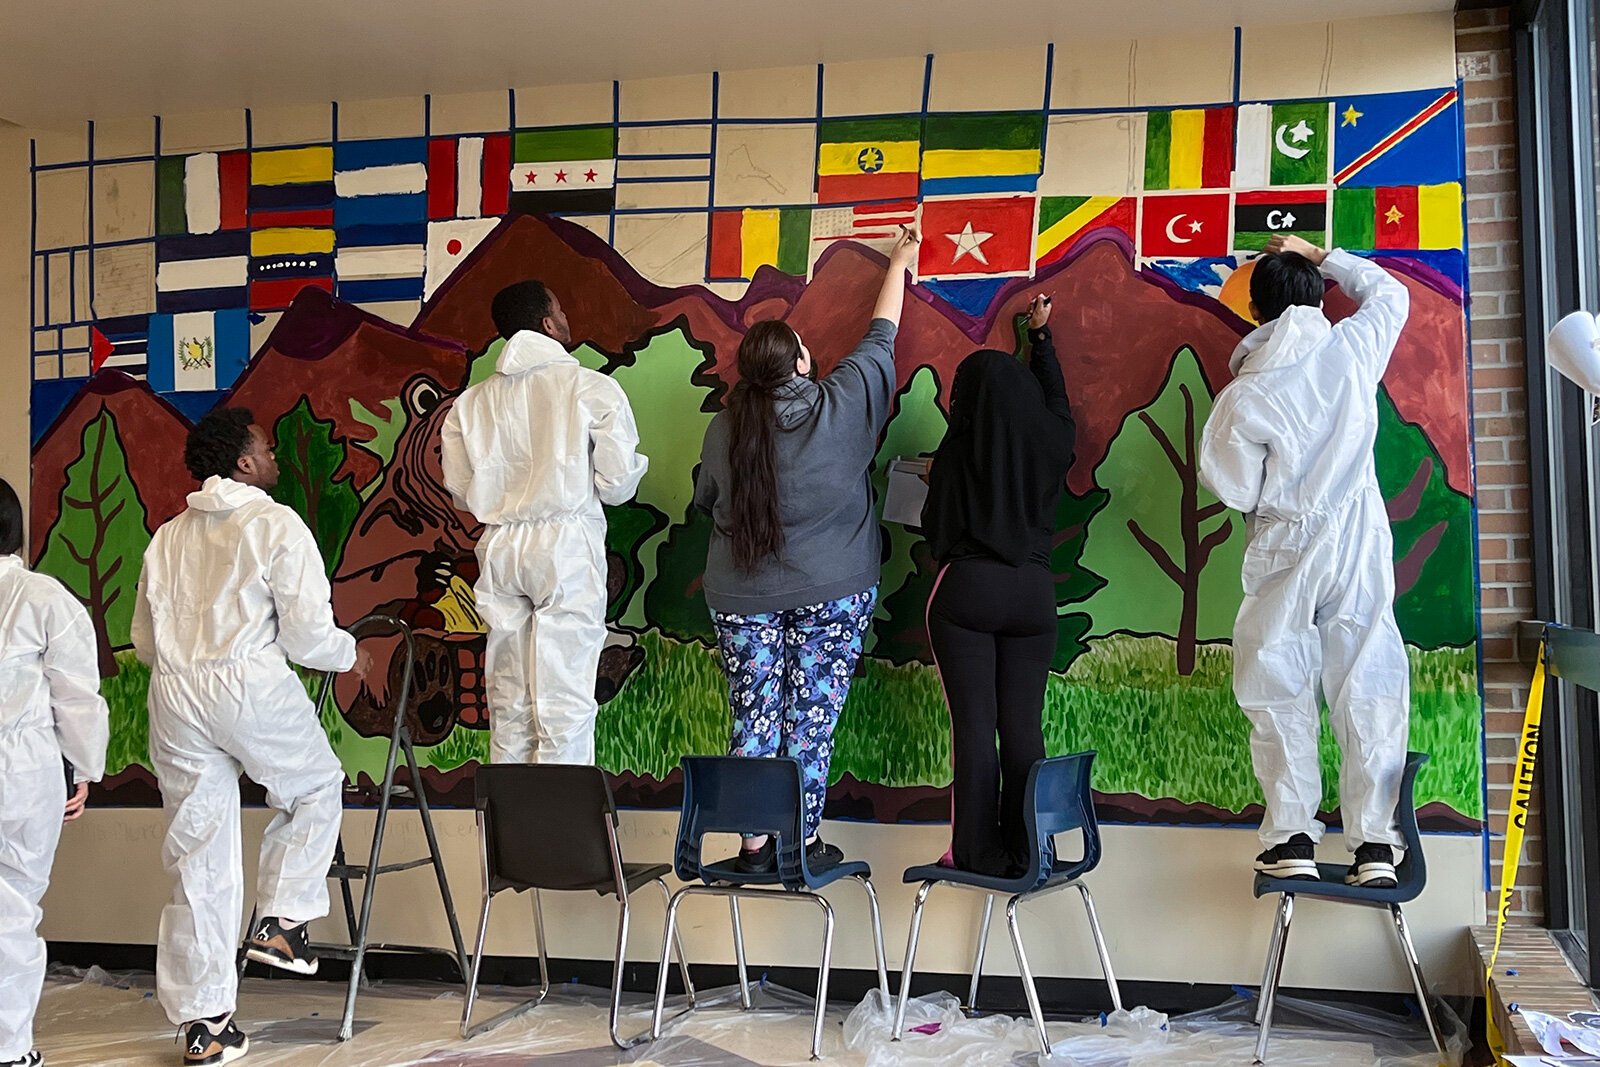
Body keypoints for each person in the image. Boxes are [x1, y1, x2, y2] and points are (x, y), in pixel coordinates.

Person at [133, 408, 370, 1065]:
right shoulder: (272, 522)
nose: (273, 458)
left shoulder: (167, 536)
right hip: (246, 683)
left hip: (175, 696)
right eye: (265, 448)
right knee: (315, 786)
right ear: (242, 462)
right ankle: (281, 920)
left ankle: (205, 1026)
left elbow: (144, 641)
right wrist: (350, 655)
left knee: (199, 854)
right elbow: (305, 634)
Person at [694, 223, 921, 874]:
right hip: (834, 591)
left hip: (741, 597)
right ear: (799, 363)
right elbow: (881, 337)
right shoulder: (841, 404)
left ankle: (754, 843)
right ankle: (801, 841)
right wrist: (899, 262)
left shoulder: (725, 430)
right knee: (810, 718)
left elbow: (708, 499)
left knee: (754, 714)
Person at [1198, 234, 1411, 889]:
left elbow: (1231, 485)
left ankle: (1292, 833)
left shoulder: (1246, 392)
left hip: (1286, 544)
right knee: (1368, 681)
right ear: (1318, 299)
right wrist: (1323, 254)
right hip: (1356, 538)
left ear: (1257, 311)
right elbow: (1392, 294)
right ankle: (1374, 843)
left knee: (1276, 684)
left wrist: (1273, 490)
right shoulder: (1351, 349)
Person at [441, 281, 647, 766]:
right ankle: (560, 838)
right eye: (560, 308)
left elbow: (460, 490)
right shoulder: (591, 388)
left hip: (499, 545)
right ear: (548, 323)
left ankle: (510, 836)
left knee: (509, 701)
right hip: (566, 545)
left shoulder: (470, 404)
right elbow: (619, 484)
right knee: (566, 702)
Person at [921, 295, 1076, 878]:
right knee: (1022, 726)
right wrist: (1042, 340)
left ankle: (975, 852)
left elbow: (936, 534)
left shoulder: (955, 454)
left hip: (968, 594)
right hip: (1035, 596)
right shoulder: (1053, 443)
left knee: (974, 729)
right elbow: (1057, 402)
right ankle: (1030, 849)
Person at [0, 478, 108, 1067]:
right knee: (14, 906)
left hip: (22, 763)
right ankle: (9, 1048)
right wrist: (85, 769)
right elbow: (77, 696)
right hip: (21, 769)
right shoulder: (41, 598)